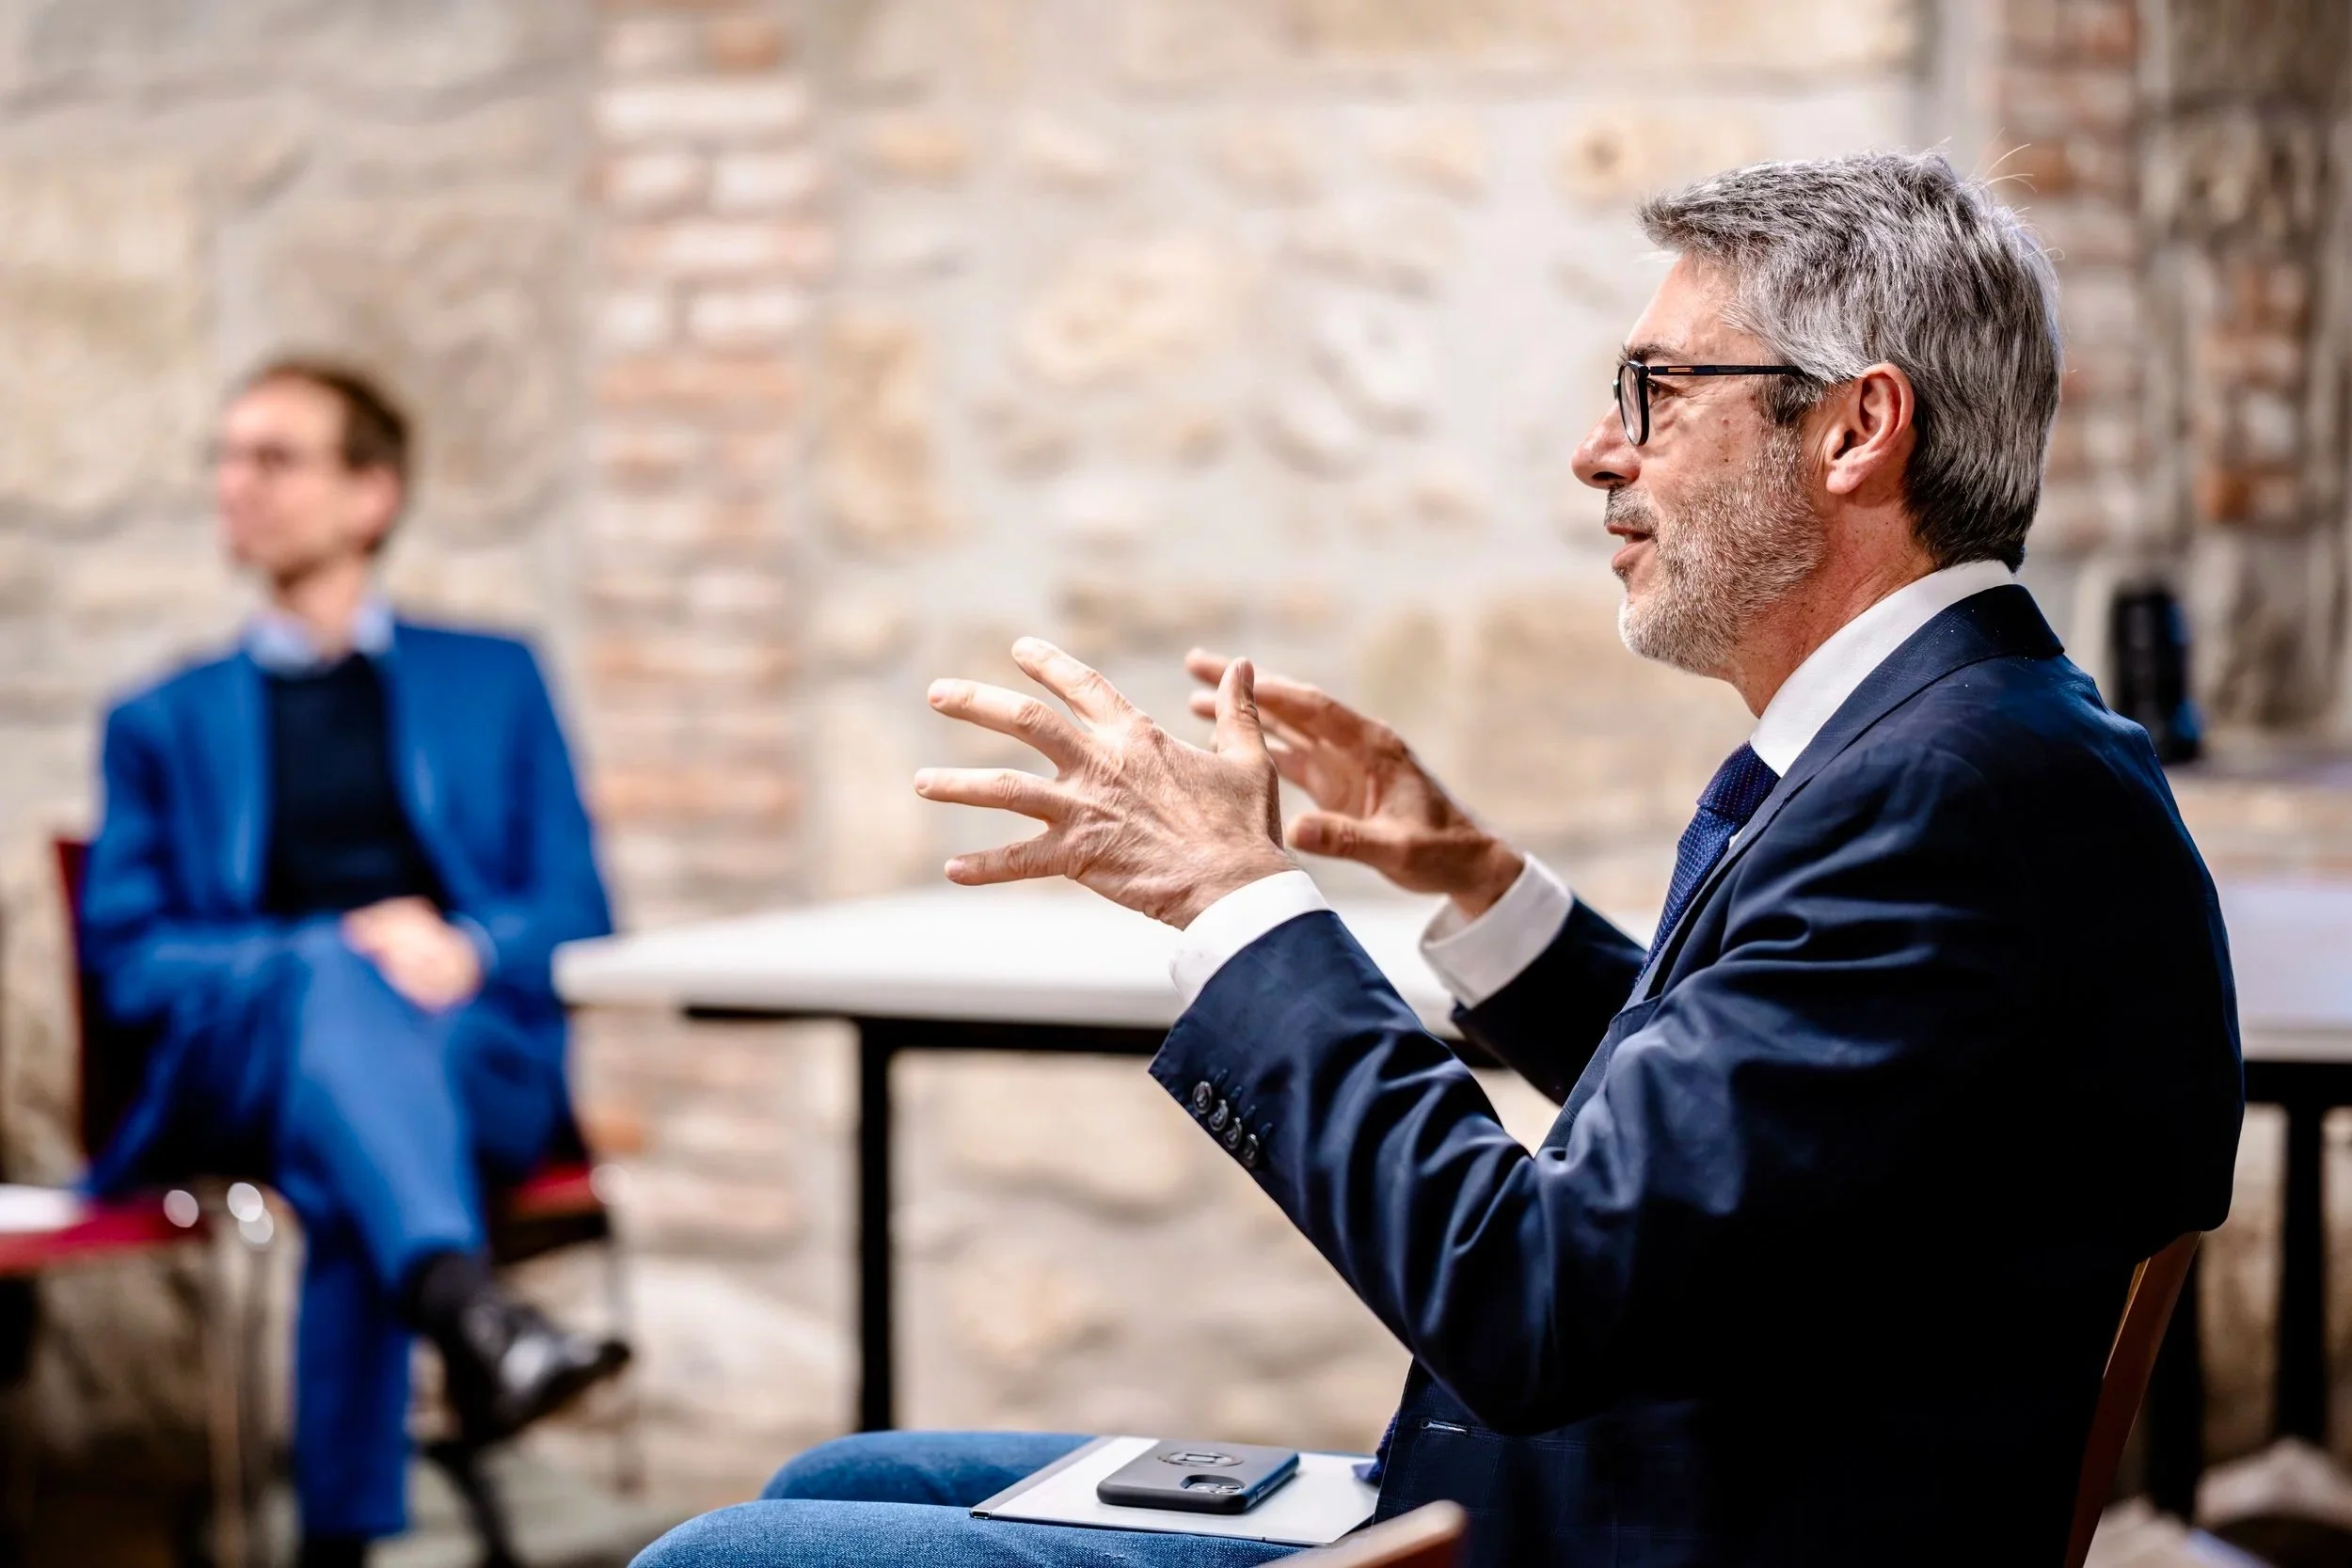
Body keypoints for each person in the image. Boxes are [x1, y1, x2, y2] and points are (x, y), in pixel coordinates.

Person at [639, 150, 2244, 1567]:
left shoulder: (1946, 801)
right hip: (1635, 1493)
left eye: (1652, 395)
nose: (1596, 455)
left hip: (1606, 1531)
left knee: (728, 1552)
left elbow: (1530, 1293)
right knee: (847, 1475)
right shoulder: (1988, 741)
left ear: (1853, 429)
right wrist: (1486, 890)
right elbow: (1747, 1156)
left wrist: (1238, 899)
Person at [79, 362, 628, 1568]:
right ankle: (468, 1309)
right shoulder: (158, 719)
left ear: (370, 492)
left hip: (466, 1063)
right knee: (337, 985)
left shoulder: (493, 677)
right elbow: (128, 958)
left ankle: (346, 1529)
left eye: (273, 458)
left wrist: (463, 942)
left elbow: (575, 905)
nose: (235, 485)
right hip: (244, 1070)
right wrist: (321, 950)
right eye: (224, 458)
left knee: (346, 1143)